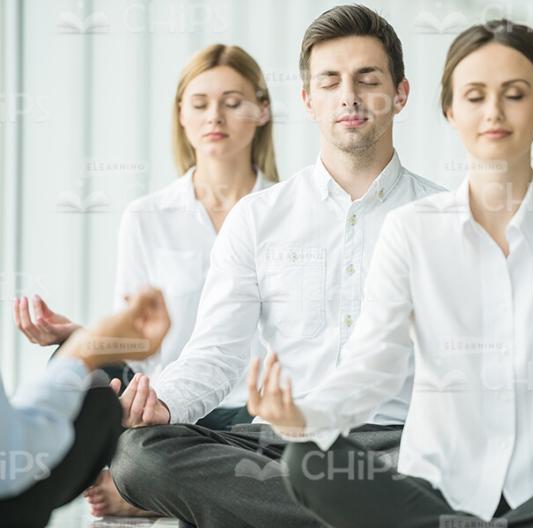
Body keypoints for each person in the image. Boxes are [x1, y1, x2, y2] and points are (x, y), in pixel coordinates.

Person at [251, 19, 533, 528]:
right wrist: (302, 417)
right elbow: (373, 368)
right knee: (309, 462)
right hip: (440, 490)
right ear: (450, 109)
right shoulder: (411, 230)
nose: (493, 112)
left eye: (514, 94)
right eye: (475, 95)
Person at [109, 5, 446, 527]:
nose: (349, 95)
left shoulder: (448, 220)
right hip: (281, 447)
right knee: (138, 456)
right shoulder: (259, 218)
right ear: (309, 99)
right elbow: (216, 354)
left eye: (367, 79)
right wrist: (166, 405)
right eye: (330, 81)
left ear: (400, 94)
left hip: (400, 448)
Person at [12, 43, 278, 518]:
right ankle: (154, 479)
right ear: (181, 115)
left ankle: (143, 489)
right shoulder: (147, 216)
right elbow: (136, 344)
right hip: (161, 407)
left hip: (253, 415)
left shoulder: (288, 213)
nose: (214, 115)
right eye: (199, 104)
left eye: (232, 101)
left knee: (273, 443)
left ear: (262, 110)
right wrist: (82, 339)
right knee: (83, 374)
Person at [0, 287, 170, 528]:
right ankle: (145, 480)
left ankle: (143, 481)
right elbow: (12, 456)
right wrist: (83, 350)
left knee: (90, 385)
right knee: (95, 396)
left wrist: (86, 342)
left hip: (218, 409)